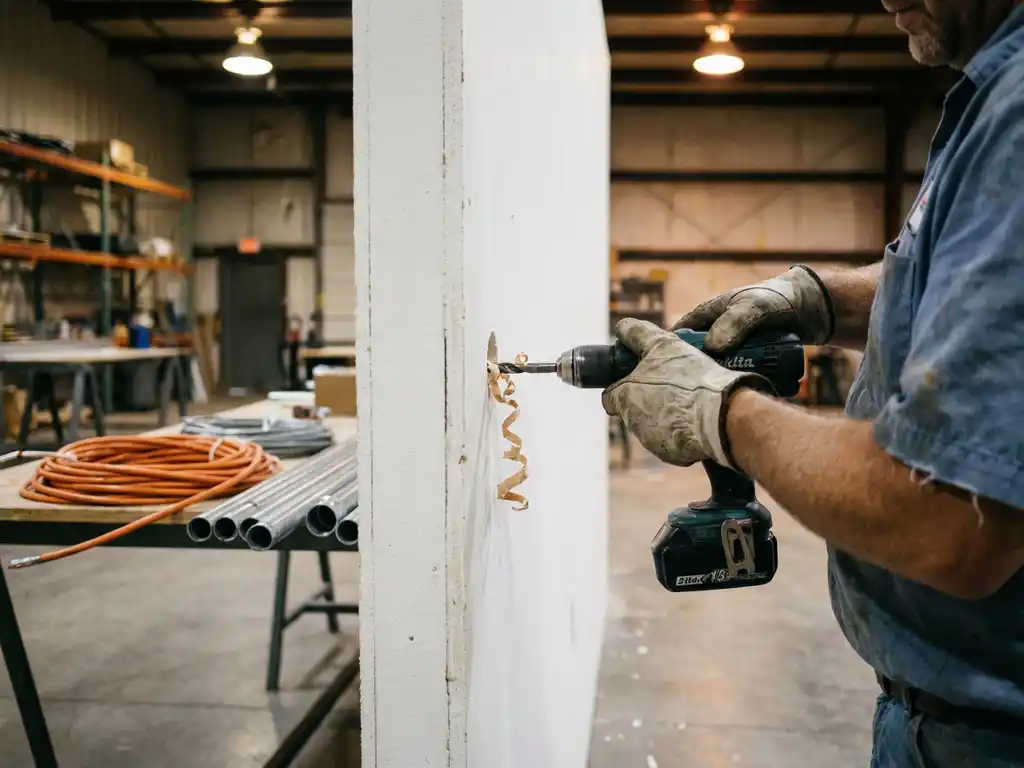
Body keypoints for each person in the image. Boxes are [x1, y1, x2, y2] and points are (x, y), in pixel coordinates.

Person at [602, 2, 1024, 766]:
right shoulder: (990, 94)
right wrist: (822, 300)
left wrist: (723, 413)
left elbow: (951, 522)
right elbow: (969, 289)